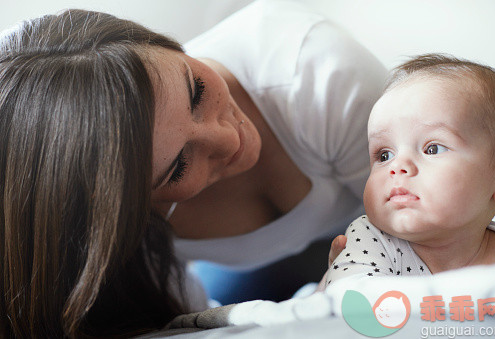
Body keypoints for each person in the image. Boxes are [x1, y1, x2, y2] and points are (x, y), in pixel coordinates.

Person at [0, 1, 385, 337]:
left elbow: (424, 235)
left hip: (364, 221)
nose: (230, 141)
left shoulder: (319, 72)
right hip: (237, 267)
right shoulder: (124, 239)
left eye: (197, 90)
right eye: (178, 167)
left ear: (166, 43)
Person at [325, 54, 495, 286]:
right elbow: (356, 309)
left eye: (432, 149)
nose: (397, 166)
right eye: (384, 155)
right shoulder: (371, 239)